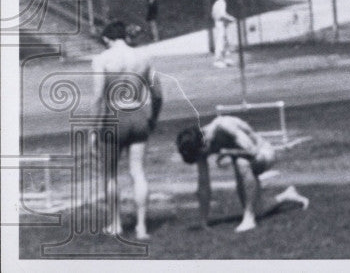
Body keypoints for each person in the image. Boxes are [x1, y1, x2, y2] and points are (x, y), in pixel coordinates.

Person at [92, 20, 163, 240]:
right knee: (138, 172)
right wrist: (153, 118)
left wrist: (93, 129)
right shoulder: (143, 57)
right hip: (138, 115)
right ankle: (142, 227)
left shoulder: (102, 59)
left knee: (111, 174)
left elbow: (97, 97)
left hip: (114, 116)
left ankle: (115, 224)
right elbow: (158, 94)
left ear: (107, 39)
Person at [175, 115, 309, 233]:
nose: (204, 157)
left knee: (241, 162)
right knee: (259, 211)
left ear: (204, 145)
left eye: (202, 154)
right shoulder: (198, 143)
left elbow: (252, 151)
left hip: (264, 153)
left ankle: (249, 219)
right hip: (244, 162)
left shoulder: (224, 126)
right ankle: (287, 195)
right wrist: (204, 221)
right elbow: (204, 185)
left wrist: (226, 153)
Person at [211, 0, 236, 68]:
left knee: (225, 42)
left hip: (221, 23)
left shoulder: (217, 3)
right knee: (220, 42)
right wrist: (231, 18)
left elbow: (214, 14)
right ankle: (217, 61)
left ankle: (226, 60)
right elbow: (222, 15)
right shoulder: (222, 2)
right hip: (220, 23)